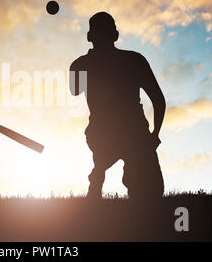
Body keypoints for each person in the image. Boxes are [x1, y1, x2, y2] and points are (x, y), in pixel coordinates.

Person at [69, 12, 165, 199]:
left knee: (151, 193)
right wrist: (154, 134)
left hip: (129, 133)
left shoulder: (81, 64)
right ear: (116, 35)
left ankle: (99, 172)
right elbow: (158, 100)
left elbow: (74, 90)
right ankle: (99, 174)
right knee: (150, 195)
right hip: (108, 133)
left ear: (89, 37)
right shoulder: (133, 60)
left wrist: (154, 134)